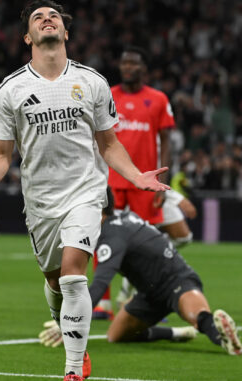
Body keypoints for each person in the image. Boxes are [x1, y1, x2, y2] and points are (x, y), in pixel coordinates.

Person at [0, 2, 170, 380]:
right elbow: (1, 155)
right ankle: (67, 324)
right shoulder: (11, 89)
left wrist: (136, 176)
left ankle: (73, 367)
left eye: (54, 17)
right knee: (54, 281)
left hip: (85, 191)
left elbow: (109, 144)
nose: (47, 20)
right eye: (38, 17)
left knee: (72, 275)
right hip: (40, 201)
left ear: (65, 33)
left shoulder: (93, 82)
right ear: (28, 37)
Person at [39, 187, 242, 356]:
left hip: (177, 280)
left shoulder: (110, 235)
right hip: (150, 293)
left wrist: (71, 319)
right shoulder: (120, 218)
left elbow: (101, 283)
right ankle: (175, 333)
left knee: (200, 318)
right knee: (115, 335)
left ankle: (225, 340)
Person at [93, 46, 176, 320]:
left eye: (133, 63)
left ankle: (152, 301)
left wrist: (164, 181)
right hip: (111, 179)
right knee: (100, 237)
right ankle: (101, 303)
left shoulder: (159, 99)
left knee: (147, 245)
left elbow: (167, 143)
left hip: (145, 181)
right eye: (124, 62)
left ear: (143, 68)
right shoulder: (107, 95)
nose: (127, 67)